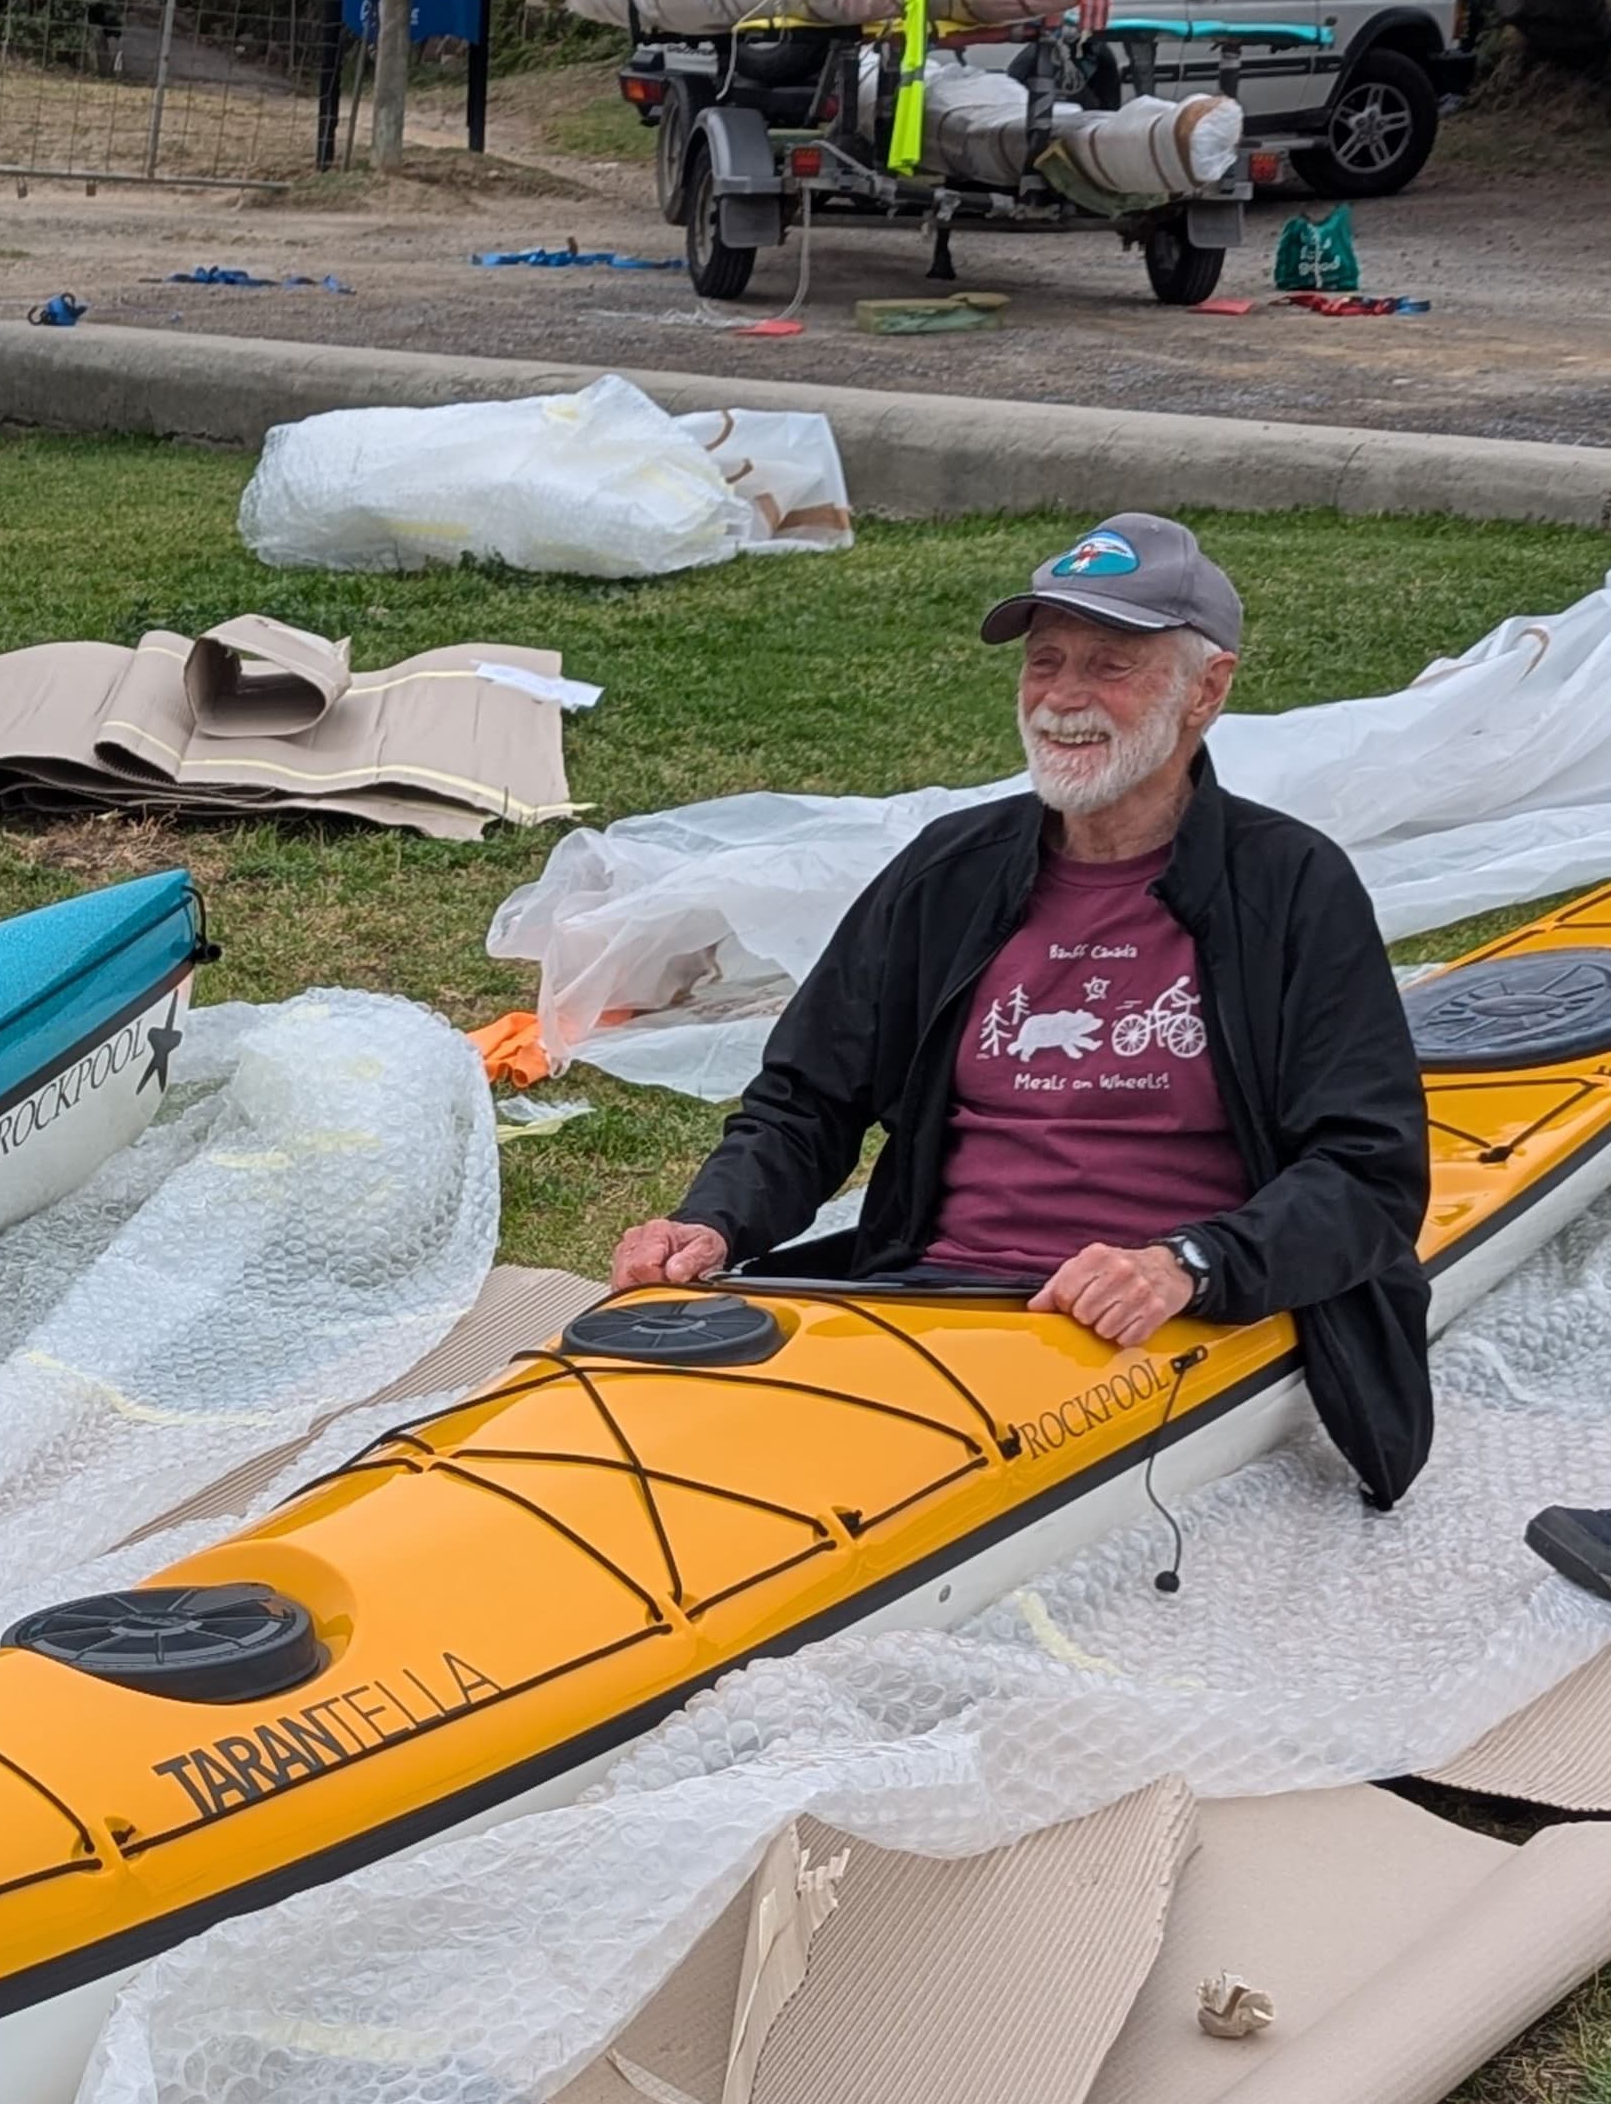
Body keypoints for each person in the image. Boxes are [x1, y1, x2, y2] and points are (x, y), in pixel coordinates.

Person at [606, 513, 1436, 1504]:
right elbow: (806, 1100)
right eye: (1045, 662)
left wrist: (1189, 1263)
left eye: (1110, 665)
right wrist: (712, 1222)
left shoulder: (1292, 886)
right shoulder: (950, 872)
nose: (1063, 698)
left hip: (1165, 1326)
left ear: (1207, 690)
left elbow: (1370, 1174)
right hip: (932, 1304)